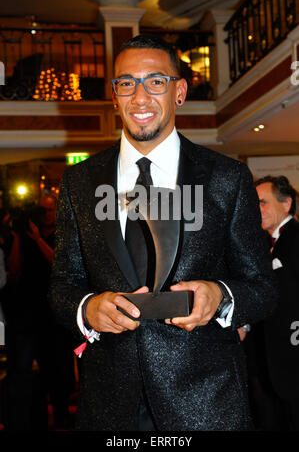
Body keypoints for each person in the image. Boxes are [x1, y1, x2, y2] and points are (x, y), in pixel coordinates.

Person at [48, 35, 277, 431]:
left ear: (180, 92)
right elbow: (61, 286)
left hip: (206, 401)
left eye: (155, 81)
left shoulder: (227, 178)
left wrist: (219, 296)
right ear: (114, 95)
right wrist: (87, 308)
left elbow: (263, 288)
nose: (140, 97)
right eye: (126, 83)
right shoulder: (78, 182)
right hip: (109, 405)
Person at [2, 195, 75, 430]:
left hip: (56, 315)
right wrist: (16, 236)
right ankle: (36, 418)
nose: (46, 215)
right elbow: (13, 271)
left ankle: (62, 414)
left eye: (49, 210)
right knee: (27, 373)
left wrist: (38, 241)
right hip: (29, 313)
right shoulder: (26, 235)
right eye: (42, 211)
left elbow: (59, 264)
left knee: (58, 369)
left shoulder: (63, 234)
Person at [255, 175, 299, 430]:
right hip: (275, 360)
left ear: (286, 204)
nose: (257, 209)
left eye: (263, 202)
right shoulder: (265, 244)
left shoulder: (296, 238)